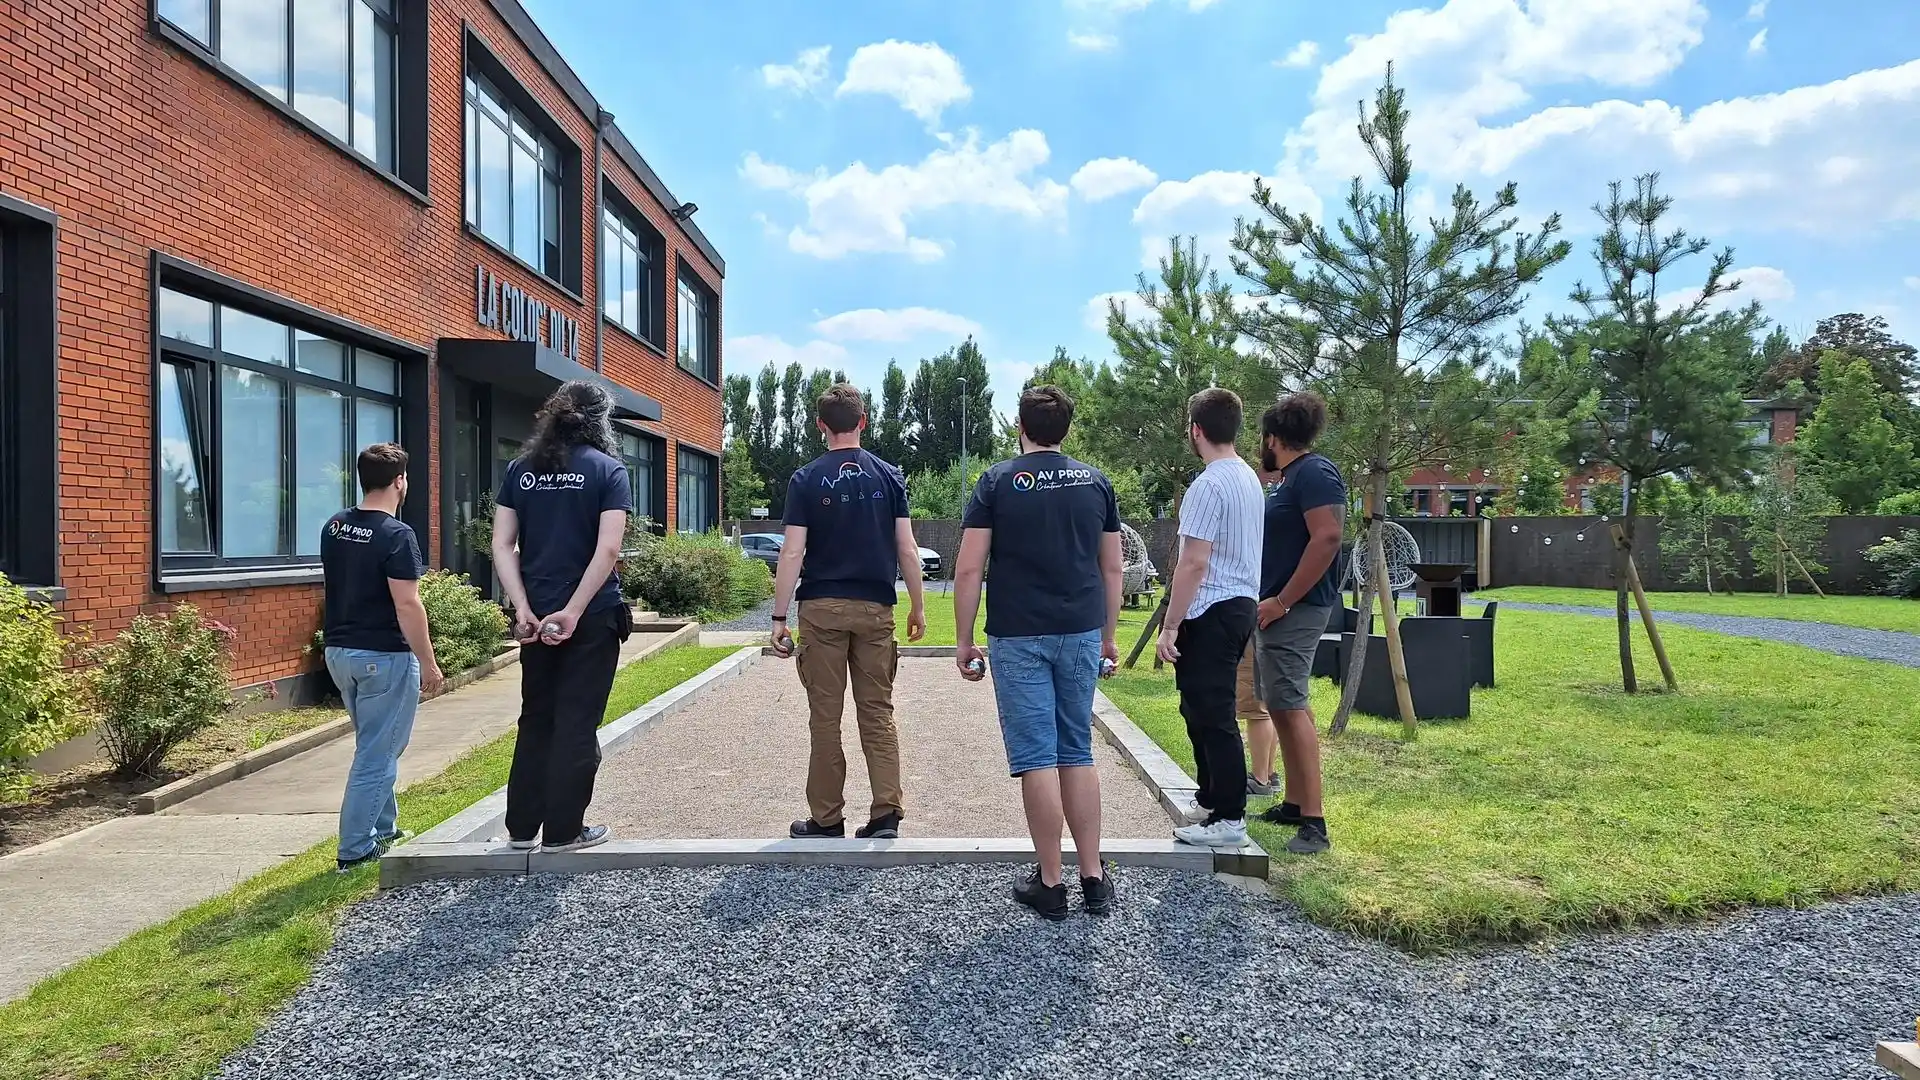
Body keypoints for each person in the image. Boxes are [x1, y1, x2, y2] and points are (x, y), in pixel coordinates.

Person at [954, 385, 1122, 920]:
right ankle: (1093, 876)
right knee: (1076, 748)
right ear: (1067, 430)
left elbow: (968, 567)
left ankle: (1051, 882)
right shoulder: (1095, 482)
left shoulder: (997, 482)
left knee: (1036, 758)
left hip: (1018, 634)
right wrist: (1109, 635)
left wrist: (963, 638)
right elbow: (1112, 567)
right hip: (1080, 631)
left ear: (1018, 426)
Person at [771, 383, 926, 840]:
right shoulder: (889, 476)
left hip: (821, 609)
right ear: (863, 421)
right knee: (877, 710)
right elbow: (907, 548)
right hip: (876, 608)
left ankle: (826, 818)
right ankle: (885, 815)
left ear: (820, 426)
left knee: (825, 715)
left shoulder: (805, 479)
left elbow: (792, 553)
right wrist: (917, 605)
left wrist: (779, 618)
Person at [491, 380, 633, 854]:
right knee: (576, 720)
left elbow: (502, 544)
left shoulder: (520, 470)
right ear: (600, 421)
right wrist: (573, 611)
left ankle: (521, 828)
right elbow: (608, 548)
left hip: (535, 616)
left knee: (536, 718)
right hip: (590, 617)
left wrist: (522, 607)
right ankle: (564, 831)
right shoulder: (608, 470)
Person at [321, 443, 442, 873]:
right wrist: (428, 661)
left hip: (339, 653)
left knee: (375, 743)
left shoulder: (334, 526)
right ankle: (355, 850)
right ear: (400, 481)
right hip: (383, 657)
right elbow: (407, 604)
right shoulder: (397, 535)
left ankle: (385, 830)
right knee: (378, 752)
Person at [1156, 389, 1265, 849]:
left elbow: (1193, 562)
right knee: (1199, 708)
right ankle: (1212, 798)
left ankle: (1229, 816)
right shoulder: (1248, 479)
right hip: (1241, 602)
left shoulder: (1209, 485)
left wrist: (1171, 623)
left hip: (1212, 607)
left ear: (1196, 430)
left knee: (1213, 712)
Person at [1251, 391, 1346, 855]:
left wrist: (1283, 601)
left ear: (1274, 437)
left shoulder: (1315, 472)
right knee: (1283, 705)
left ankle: (1314, 821)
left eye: (1262, 439)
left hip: (1297, 609)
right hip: (1279, 608)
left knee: (1291, 706)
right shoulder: (1292, 477)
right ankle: (1293, 802)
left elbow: (1327, 536)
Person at [1241, 460, 1282, 794]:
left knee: (1257, 707)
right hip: (1276, 611)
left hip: (1257, 609)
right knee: (1268, 702)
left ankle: (1260, 778)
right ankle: (1269, 771)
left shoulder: (1262, 515)